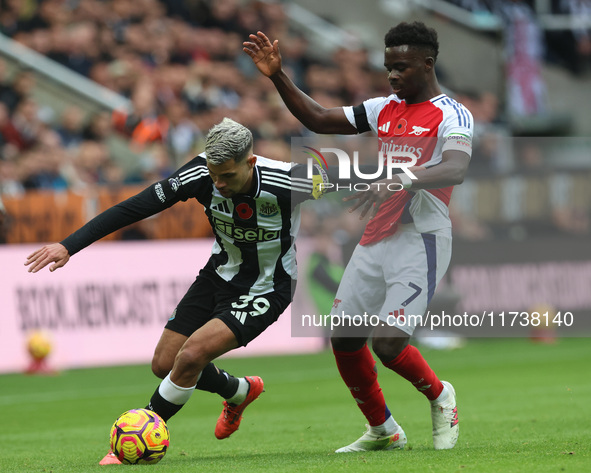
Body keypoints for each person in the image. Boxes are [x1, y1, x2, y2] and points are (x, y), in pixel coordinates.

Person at [24, 117, 330, 464]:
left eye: (227, 176)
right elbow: (136, 206)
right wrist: (69, 246)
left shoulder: (291, 181)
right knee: (165, 363)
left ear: (251, 162)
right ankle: (239, 391)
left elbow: (361, 177)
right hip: (217, 276)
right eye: (214, 174)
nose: (218, 183)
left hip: (267, 286)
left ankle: (133, 441)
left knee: (191, 355)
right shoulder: (201, 174)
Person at [244, 21, 473, 452]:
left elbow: (455, 168)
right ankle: (384, 430)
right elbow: (318, 118)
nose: (392, 76)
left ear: (428, 63)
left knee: (388, 343)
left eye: (401, 67)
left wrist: (400, 179)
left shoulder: (452, 114)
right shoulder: (384, 108)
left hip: (420, 235)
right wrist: (277, 75)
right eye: (388, 68)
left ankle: (441, 396)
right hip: (377, 233)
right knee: (346, 338)